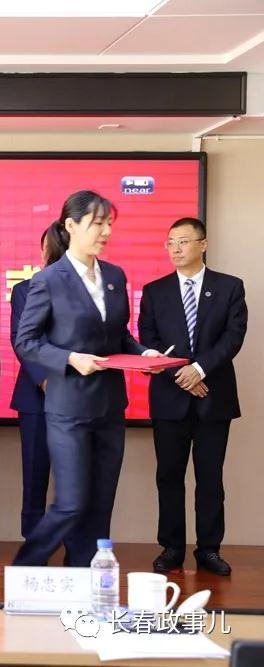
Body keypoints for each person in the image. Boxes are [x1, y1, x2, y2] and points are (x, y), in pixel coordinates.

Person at [12, 190, 165, 567]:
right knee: (71, 502)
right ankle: (25, 569)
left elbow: (119, 335)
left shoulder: (114, 276)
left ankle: (83, 577)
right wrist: (69, 359)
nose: (106, 231)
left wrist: (144, 354)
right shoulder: (49, 280)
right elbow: (26, 341)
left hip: (110, 407)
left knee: (100, 505)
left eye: (109, 223)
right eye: (98, 223)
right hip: (69, 409)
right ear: (71, 225)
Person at [138, 216, 247, 576]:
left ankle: (209, 550)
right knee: (169, 476)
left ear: (203, 244)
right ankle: (171, 548)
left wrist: (199, 370)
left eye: (183, 241)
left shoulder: (229, 287)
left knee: (210, 478)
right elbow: (149, 341)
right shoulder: (155, 291)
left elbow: (233, 337)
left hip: (214, 397)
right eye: (170, 242)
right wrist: (181, 375)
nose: (176, 249)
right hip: (169, 398)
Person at [11, 224, 68, 539]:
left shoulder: (94, 288)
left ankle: (76, 547)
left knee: (75, 478)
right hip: (36, 397)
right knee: (34, 476)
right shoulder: (25, 289)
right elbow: (23, 341)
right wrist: (46, 380)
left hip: (80, 395)